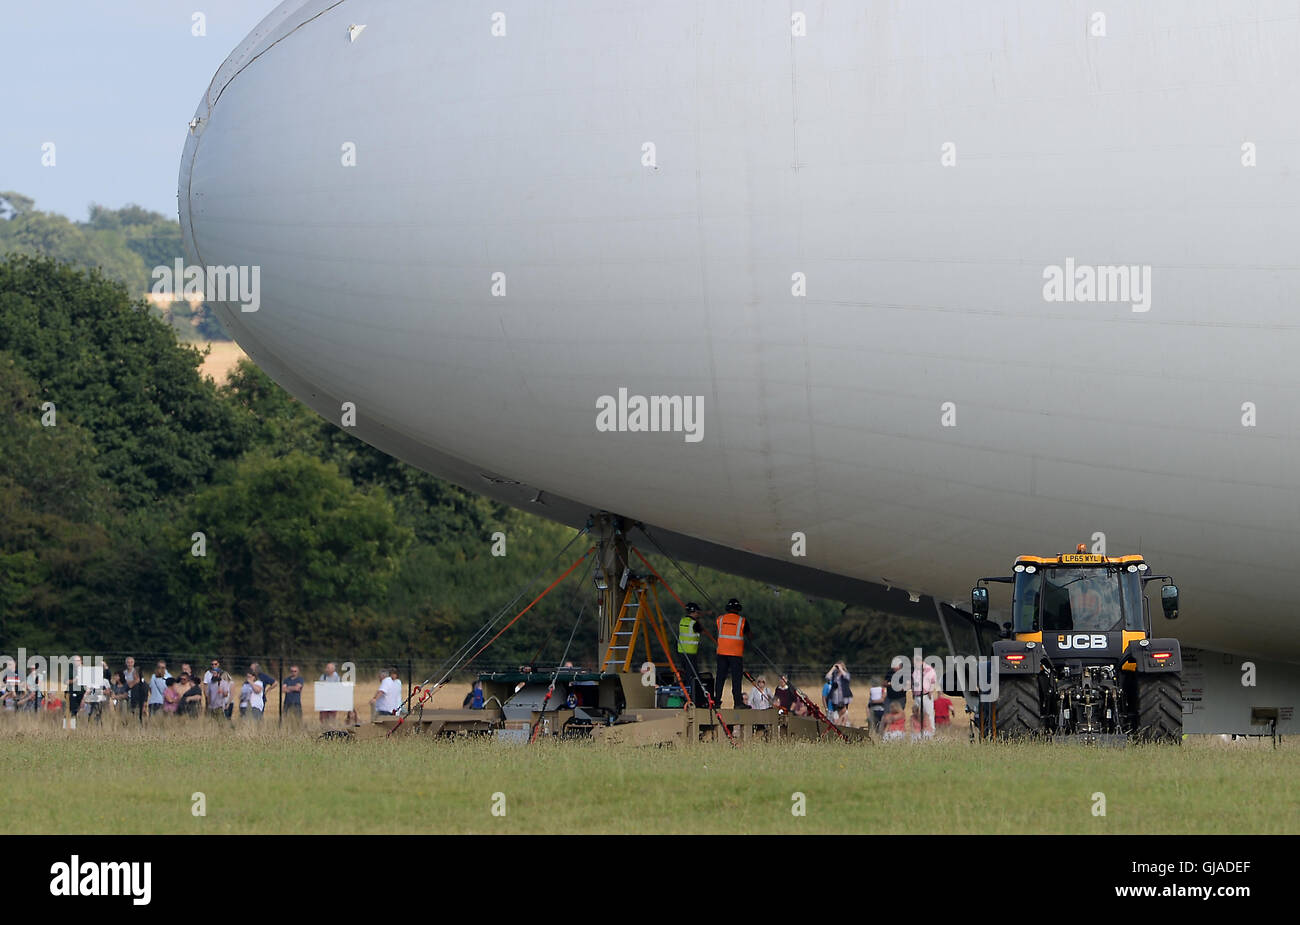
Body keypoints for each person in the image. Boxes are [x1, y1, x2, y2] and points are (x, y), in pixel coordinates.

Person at [712, 598, 748, 709]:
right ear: (738, 609)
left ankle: (717, 701)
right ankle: (737, 703)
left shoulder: (720, 619)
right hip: (736, 654)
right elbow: (749, 634)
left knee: (720, 678)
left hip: (722, 653)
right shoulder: (742, 621)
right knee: (736, 679)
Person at [676, 602, 703, 691]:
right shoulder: (695, 623)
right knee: (692, 675)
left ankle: (686, 691)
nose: (698, 614)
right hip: (691, 653)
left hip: (681, 652)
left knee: (687, 674)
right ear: (694, 612)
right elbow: (701, 629)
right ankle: (691, 694)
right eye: (697, 613)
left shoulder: (682, 621)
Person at [911, 658, 937, 734]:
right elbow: (913, 682)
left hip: (926, 695)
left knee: (928, 714)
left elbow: (933, 681)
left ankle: (931, 732)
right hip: (917, 695)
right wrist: (913, 691)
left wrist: (930, 691)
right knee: (916, 714)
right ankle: (918, 732)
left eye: (915, 662)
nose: (914, 664)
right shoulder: (915, 670)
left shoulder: (929, 669)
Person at [123, 657, 146, 723]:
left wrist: (130, 683)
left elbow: (139, 681)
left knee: (135, 712)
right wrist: (133, 682)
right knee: (127, 713)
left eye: (131, 662)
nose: (129, 664)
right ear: (126, 663)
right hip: (126, 695)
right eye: (128, 662)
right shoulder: (124, 673)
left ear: (134, 663)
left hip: (136, 696)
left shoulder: (136, 672)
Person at [319, 662, 341, 726]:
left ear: (333, 669)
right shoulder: (323, 677)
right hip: (324, 701)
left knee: (331, 719)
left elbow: (338, 689)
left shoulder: (337, 677)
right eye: (326, 668)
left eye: (328, 668)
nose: (326, 669)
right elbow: (320, 687)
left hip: (333, 702)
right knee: (323, 719)